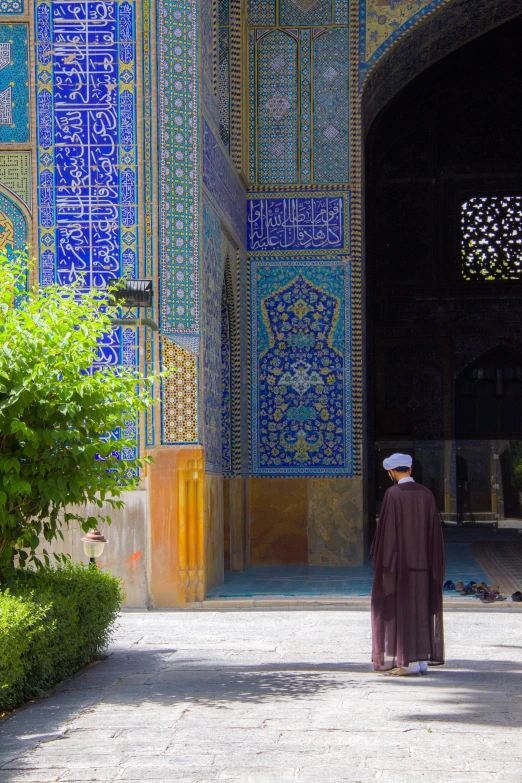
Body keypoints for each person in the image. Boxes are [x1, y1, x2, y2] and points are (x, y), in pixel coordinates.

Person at [371, 453, 445, 676]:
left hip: (401, 567)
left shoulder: (393, 494)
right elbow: (434, 534)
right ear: (410, 470)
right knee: (420, 609)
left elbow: (387, 534)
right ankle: (421, 660)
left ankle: (408, 664)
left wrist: (384, 563)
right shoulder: (427, 494)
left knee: (402, 611)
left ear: (391, 473)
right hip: (424, 566)